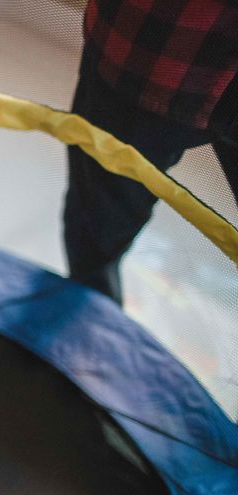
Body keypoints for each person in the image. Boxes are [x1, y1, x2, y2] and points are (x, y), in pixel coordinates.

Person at [65, 0, 238, 304]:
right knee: (95, 236)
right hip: (151, 48)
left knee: (95, 234)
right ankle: (89, 318)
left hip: (149, 48)